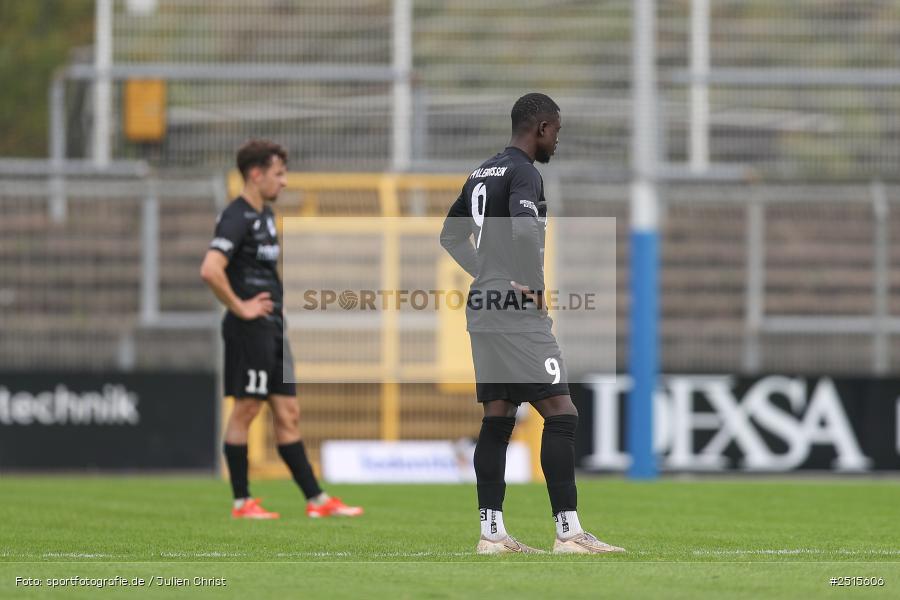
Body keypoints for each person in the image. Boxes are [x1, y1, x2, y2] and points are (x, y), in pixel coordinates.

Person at [440, 93, 624, 554]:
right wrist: (531, 284)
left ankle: (492, 533)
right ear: (541, 126)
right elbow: (523, 229)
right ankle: (569, 533)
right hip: (513, 307)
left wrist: (485, 271)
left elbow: (450, 234)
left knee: (498, 418)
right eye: (556, 131)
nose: (557, 141)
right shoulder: (525, 172)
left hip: (482, 305)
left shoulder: (482, 171)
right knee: (561, 413)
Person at [200, 139, 362, 520]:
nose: (284, 182)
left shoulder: (266, 216)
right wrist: (241, 306)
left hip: (272, 329)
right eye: (278, 173)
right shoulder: (236, 216)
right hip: (248, 329)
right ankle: (242, 502)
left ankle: (316, 500)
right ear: (256, 174)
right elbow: (210, 268)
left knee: (288, 412)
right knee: (247, 409)